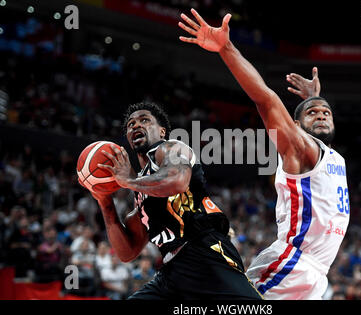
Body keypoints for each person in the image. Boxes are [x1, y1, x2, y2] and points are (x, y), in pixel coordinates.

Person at [179, 8, 350, 299]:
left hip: (317, 273)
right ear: (296, 126)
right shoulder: (301, 148)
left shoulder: (332, 157)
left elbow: (313, 129)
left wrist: (312, 99)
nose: (322, 115)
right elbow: (265, 99)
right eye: (313, 113)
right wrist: (227, 49)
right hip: (292, 264)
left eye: (326, 112)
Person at [83, 101, 262, 300]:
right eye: (130, 125)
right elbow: (128, 252)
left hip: (206, 254)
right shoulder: (141, 191)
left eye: (144, 120)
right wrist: (105, 201)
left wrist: (129, 181)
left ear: (162, 132)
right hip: (172, 273)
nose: (136, 125)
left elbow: (177, 181)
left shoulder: (172, 148)